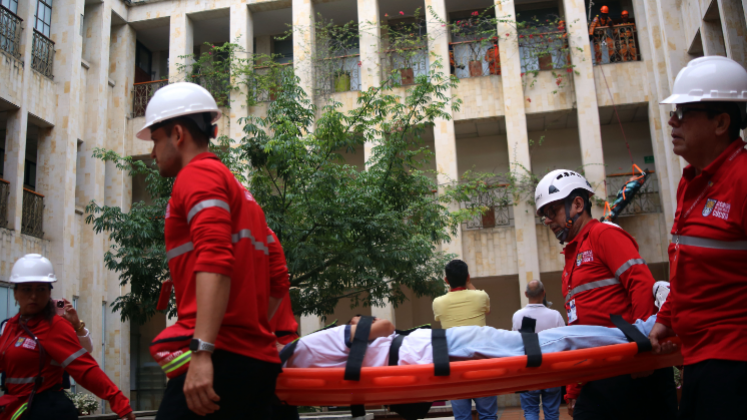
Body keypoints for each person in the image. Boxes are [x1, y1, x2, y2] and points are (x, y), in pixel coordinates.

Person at [137, 82, 289, 419]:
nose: (152, 152)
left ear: (177, 134)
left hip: (219, 359)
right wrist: (250, 324)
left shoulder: (196, 176)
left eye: (155, 140)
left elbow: (215, 259)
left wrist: (202, 350)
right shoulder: (242, 194)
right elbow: (278, 277)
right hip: (257, 363)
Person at [534, 170, 677, 420]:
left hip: (632, 368)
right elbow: (578, 327)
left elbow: (641, 285)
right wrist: (574, 389)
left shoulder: (604, 235)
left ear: (577, 204)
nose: (547, 220)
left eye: (552, 211)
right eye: (544, 214)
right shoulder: (570, 264)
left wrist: (642, 352)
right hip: (599, 374)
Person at [650, 55, 747, 419]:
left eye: (684, 111)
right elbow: (689, 270)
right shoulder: (692, 184)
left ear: (721, 122)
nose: (672, 121)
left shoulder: (742, 180)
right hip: (701, 361)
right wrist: (667, 317)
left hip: (734, 363)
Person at [0, 254, 134, 420]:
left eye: (41, 289)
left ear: (49, 292)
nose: (33, 296)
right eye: (27, 289)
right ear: (15, 293)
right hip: (17, 408)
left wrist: (118, 400)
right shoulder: (12, 327)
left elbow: (84, 368)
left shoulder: (54, 326)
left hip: (47, 409)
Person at [284, 314, 660, 369]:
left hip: (429, 356)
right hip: (433, 346)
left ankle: (638, 329)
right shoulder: (308, 346)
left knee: (545, 345)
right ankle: (642, 328)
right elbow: (384, 325)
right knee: (544, 345)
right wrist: (355, 323)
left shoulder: (296, 365)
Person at [432, 260, 495, 420]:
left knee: (462, 418)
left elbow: (445, 307)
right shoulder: (481, 296)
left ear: (446, 280)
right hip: (482, 366)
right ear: (468, 277)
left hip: (455, 369)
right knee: (488, 416)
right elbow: (487, 311)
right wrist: (469, 283)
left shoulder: (438, 303)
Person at [511, 280, 565, 420]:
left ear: (526, 294)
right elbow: (564, 342)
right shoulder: (555, 315)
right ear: (543, 293)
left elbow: (516, 344)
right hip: (551, 370)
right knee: (552, 412)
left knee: (530, 412)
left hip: (528, 370)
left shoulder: (518, 316)